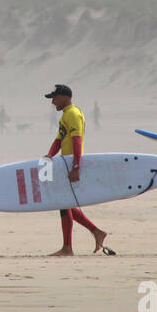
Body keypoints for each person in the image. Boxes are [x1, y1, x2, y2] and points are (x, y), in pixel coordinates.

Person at [42, 85, 109, 257]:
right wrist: (50, 155)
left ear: (64, 97)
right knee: (65, 204)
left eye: (54, 98)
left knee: (64, 204)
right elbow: (59, 139)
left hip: (72, 162)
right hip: (65, 162)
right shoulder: (66, 115)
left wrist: (76, 167)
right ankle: (96, 232)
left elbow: (77, 141)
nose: (52, 102)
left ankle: (68, 247)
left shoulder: (73, 114)